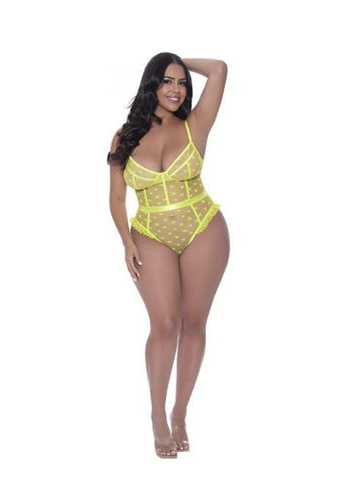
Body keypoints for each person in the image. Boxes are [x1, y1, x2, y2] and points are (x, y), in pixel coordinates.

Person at [107, 53, 230, 458]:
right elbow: (117, 197)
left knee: (193, 323)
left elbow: (219, 68)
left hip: (203, 228)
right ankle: (157, 415)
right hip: (149, 232)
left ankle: (180, 413)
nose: (175, 89)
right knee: (163, 324)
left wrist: (176, 55)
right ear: (151, 85)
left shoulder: (196, 124)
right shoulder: (125, 136)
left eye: (180, 82)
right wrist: (127, 242)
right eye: (166, 81)